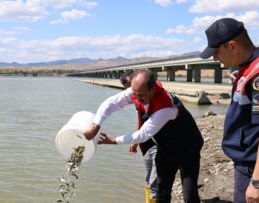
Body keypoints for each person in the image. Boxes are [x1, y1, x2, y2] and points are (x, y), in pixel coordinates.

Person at [200, 18, 259, 203]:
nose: (215, 58)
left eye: (216, 52)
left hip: (254, 166)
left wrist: (257, 182)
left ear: (232, 46)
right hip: (250, 161)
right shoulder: (249, 68)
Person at [84, 70, 203, 203]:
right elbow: (112, 103)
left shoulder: (165, 107)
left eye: (141, 96)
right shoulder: (139, 90)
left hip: (187, 147)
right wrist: (96, 125)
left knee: (189, 193)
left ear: (152, 89)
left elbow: (143, 134)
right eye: (134, 93)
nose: (137, 98)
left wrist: (114, 140)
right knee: (162, 189)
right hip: (166, 147)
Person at [120, 71, 158, 202]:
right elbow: (141, 120)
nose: (132, 94)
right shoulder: (138, 99)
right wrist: (136, 141)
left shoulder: (154, 97)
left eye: (132, 88)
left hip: (159, 142)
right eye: (128, 90)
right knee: (149, 178)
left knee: (155, 182)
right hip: (146, 142)